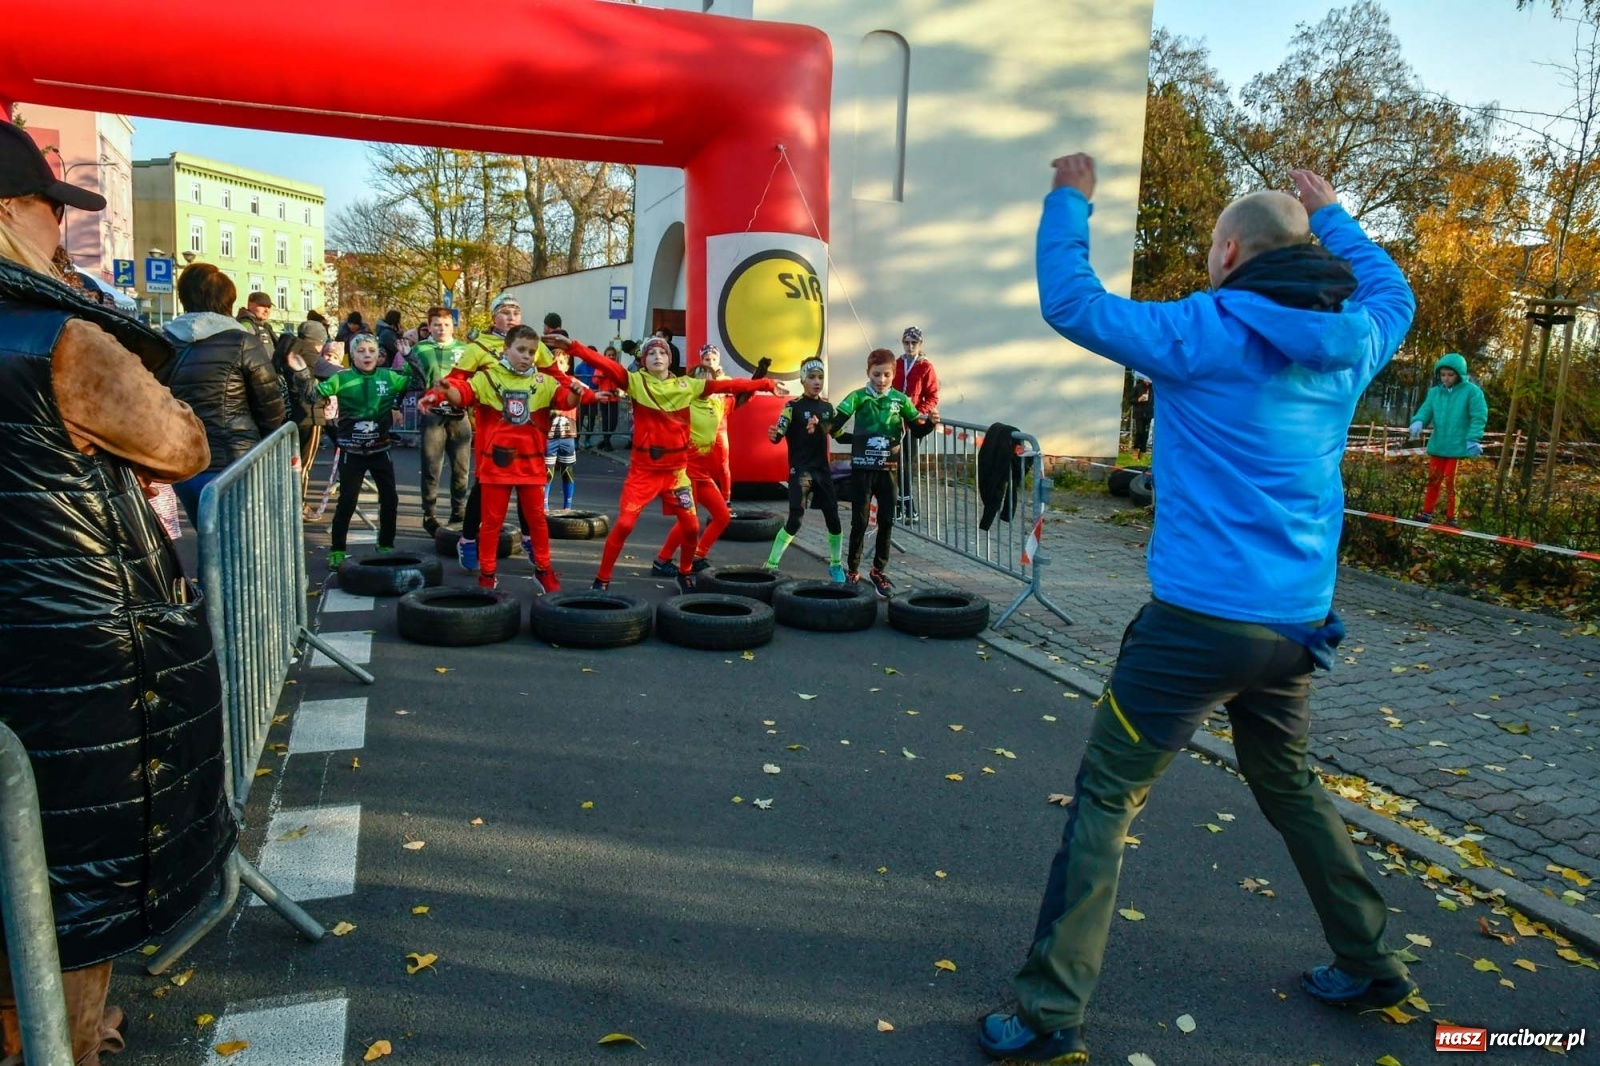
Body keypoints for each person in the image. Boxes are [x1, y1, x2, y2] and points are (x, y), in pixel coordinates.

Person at [974, 156, 1417, 1065]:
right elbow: (1392, 292)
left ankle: (1051, 1012)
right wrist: (1332, 213)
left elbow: (1073, 304)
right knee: (1286, 781)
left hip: (1197, 628)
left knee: (1105, 796)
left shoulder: (1202, 328)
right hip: (1295, 627)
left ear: (1226, 252)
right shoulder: (1354, 339)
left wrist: (1070, 199)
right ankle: (1371, 960)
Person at [0, 118, 236, 1064]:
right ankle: (70, 1036)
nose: (62, 229)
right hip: (73, 633)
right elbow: (182, 444)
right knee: (74, 859)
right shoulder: (61, 335)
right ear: (14, 211)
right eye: (54, 210)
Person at [549, 334, 779, 592]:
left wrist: (766, 383)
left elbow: (730, 386)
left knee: (691, 528)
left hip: (677, 475)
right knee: (624, 525)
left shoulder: (688, 385)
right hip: (643, 474)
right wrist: (574, 347)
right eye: (651, 353)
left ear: (670, 360)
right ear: (643, 361)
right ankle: (602, 580)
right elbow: (604, 364)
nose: (657, 357)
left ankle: (684, 573)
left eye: (663, 353)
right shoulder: (634, 382)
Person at [419, 325, 586, 591]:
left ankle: (543, 570)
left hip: (531, 466)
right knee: (491, 522)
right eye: (520, 350)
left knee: (537, 521)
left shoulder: (544, 382)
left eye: (531, 352)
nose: (526, 356)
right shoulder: (488, 379)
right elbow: (462, 394)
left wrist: (576, 393)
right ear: (506, 350)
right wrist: (444, 390)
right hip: (496, 466)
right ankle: (487, 574)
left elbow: (566, 400)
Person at [164, 264, 287, 522]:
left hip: (185, 462)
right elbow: (270, 403)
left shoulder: (165, 342)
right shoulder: (241, 342)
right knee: (241, 548)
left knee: (209, 543)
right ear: (227, 300)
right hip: (235, 461)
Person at [832, 348, 934, 599]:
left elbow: (917, 432)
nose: (881, 380)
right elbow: (834, 427)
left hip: (889, 470)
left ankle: (878, 571)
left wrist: (930, 422)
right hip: (863, 470)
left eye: (886, 375)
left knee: (887, 521)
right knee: (860, 521)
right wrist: (854, 440)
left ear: (893, 374)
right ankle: (853, 571)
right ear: (868, 373)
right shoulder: (857, 397)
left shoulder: (900, 400)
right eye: (876, 374)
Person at [317, 333, 410, 569]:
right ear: (352, 355)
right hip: (352, 452)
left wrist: (411, 358)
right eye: (360, 351)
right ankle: (337, 550)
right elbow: (313, 395)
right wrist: (300, 376)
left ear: (378, 354)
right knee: (347, 501)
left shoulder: (389, 376)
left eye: (371, 350)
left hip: (381, 449)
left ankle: (386, 545)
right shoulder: (341, 378)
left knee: (390, 498)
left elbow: (417, 382)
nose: (366, 355)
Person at [650, 344, 738, 576]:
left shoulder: (717, 405)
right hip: (684, 475)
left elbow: (743, 396)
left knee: (722, 516)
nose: (705, 384)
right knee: (689, 522)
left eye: (709, 380)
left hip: (703, 476)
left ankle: (699, 555)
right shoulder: (683, 405)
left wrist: (762, 378)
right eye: (700, 379)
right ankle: (662, 561)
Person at [764, 357, 846, 581]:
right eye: (811, 377)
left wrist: (867, 438)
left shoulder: (827, 407)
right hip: (800, 472)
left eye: (820, 377)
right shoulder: (792, 407)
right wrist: (774, 435)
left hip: (822, 471)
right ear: (802, 380)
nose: (817, 382)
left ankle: (836, 564)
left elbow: (839, 435)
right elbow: (778, 432)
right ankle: (771, 564)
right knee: (795, 519)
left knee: (834, 518)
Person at [407, 305, 471, 534]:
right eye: (436, 325)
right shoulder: (420, 349)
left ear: (453, 326)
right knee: (432, 467)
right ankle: (429, 514)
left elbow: (475, 379)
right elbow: (409, 378)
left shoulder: (465, 349)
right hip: (432, 415)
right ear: (429, 326)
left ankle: (458, 511)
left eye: (445, 325)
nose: (441, 329)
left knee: (461, 468)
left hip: (459, 414)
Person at [1408, 352, 1487, 526]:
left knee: (1452, 482)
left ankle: (1452, 516)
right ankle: (1427, 513)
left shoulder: (1472, 392)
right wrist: (1418, 421)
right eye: (1443, 374)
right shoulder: (1434, 392)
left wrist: (1473, 438)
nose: (1446, 378)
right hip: (1439, 443)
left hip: (1459, 447)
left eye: (1450, 375)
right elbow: (1426, 409)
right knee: (1433, 480)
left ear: (1459, 374)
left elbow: (1478, 416)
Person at [892, 326, 939, 522]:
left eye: (914, 343)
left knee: (906, 464)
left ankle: (909, 507)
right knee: (894, 464)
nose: (910, 346)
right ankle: (900, 506)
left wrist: (919, 411)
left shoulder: (925, 366)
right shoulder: (897, 364)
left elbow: (933, 396)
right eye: (907, 343)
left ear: (920, 344)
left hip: (913, 422)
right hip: (894, 420)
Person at [545, 347, 584, 512]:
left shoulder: (573, 382)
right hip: (550, 435)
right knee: (547, 472)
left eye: (561, 363)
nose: (558, 366)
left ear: (567, 366)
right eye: (554, 362)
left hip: (568, 434)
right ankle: (544, 505)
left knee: (567, 471)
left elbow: (586, 394)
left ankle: (567, 506)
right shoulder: (546, 382)